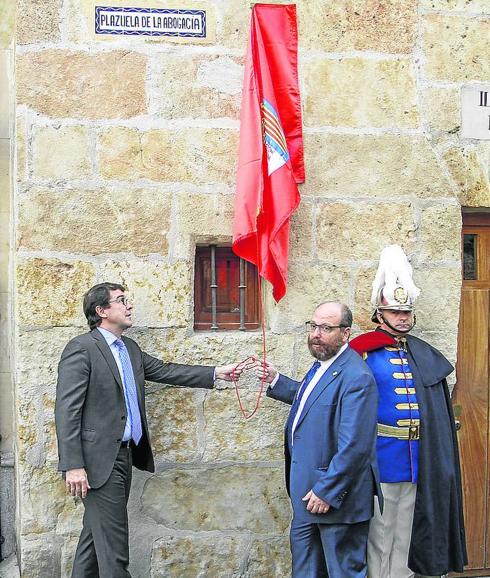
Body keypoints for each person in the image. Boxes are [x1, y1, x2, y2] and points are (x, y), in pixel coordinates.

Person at [55, 282, 240, 578]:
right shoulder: (82, 348)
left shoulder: (129, 348)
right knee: (115, 554)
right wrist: (73, 464)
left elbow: (167, 370)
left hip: (124, 457)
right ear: (101, 311)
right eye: (121, 300)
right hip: (98, 461)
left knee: (94, 541)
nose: (129, 306)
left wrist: (217, 373)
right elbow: (67, 410)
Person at [349, 245, 467, 578]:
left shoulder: (422, 353)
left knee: (406, 535)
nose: (403, 317)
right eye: (396, 312)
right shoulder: (361, 353)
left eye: (407, 312)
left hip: (418, 458)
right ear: (380, 314)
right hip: (381, 458)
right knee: (380, 536)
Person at [256, 301, 381, 578]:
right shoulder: (323, 364)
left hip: (335, 501)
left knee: (342, 573)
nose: (316, 334)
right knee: (306, 571)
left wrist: (328, 490)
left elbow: (356, 446)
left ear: (345, 333)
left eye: (326, 328)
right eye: (313, 326)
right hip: (306, 496)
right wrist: (278, 381)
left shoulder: (357, 376)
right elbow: (315, 400)